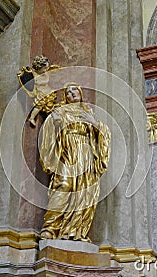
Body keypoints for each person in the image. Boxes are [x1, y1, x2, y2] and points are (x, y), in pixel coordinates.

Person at [39, 83, 111, 241]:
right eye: (68, 92)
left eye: (74, 90)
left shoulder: (88, 112)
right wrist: (54, 120)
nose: (72, 94)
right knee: (63, 185)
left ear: (80, 92)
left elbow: (102, 133)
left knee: (84, 192)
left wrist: (93, 123)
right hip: (67, 151)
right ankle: (50, 228)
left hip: (86, 154)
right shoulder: (60, 111)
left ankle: (73, 231)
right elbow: (50, 128)